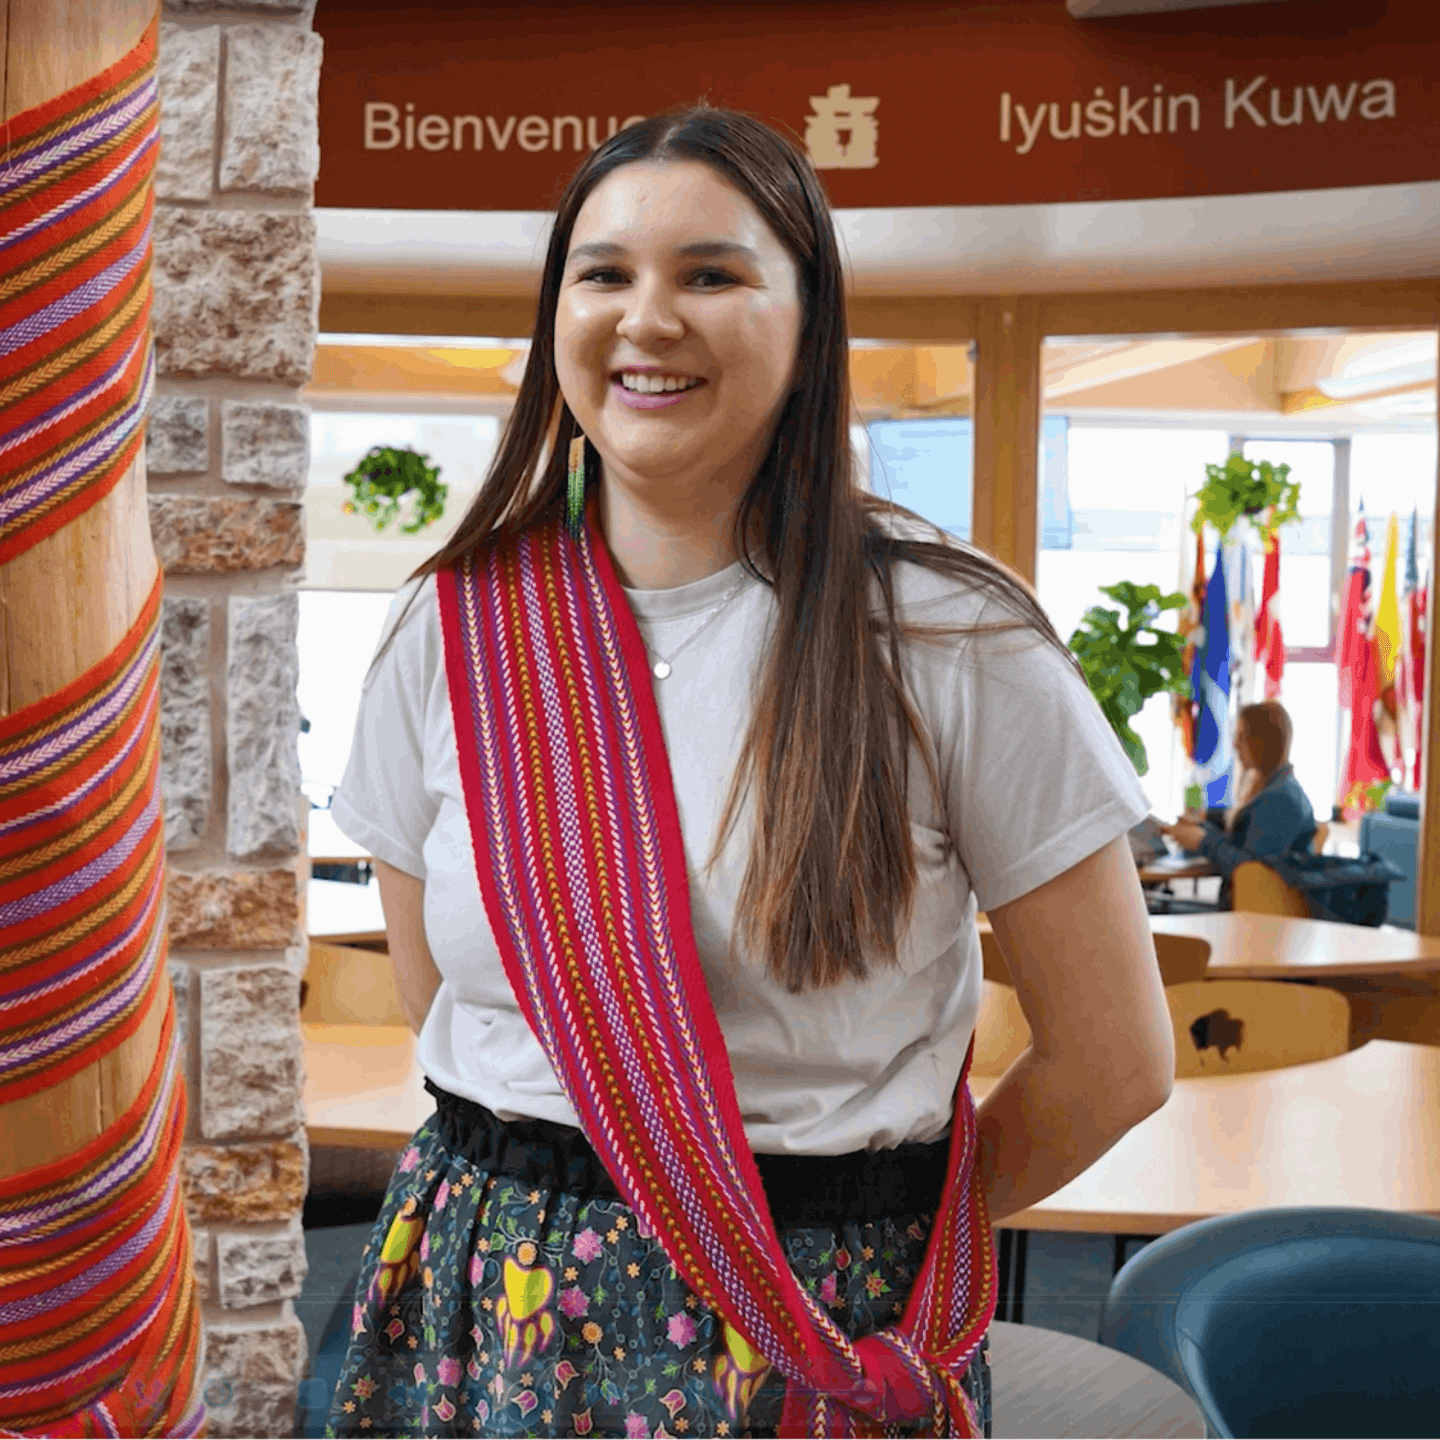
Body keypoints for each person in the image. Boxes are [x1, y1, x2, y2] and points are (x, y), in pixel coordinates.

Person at [324, 105, 1174, 1440]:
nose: (646, 319)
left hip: (806, 1326)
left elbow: (1115, 1058)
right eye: (602, 273)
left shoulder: (953, 637)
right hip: (481, 1299)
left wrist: (883, 1242)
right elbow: (461, 1013)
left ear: (807, 319)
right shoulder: (454, 627)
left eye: (711, 274)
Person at [1161, 700, 1316, 909]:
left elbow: (1251, 871)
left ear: (1263, 741)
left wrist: (1203, 841)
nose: (1235, 745)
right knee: (1157, 904)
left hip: (1253, 917)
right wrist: (1202, 827)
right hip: (1249, 911)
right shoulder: (1275, 788)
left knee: (1154, 908)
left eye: (1242, 737)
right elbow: (1246, 842)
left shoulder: (1279, 800)